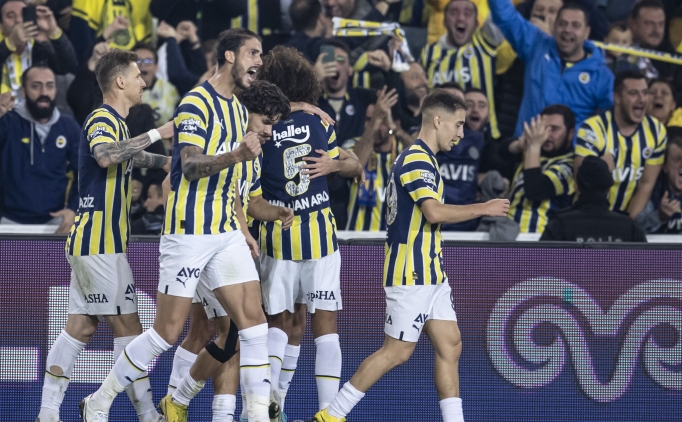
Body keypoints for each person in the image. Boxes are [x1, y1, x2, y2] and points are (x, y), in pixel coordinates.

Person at [78, 28, 271, 422]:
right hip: (188, 233)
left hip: (224, 232)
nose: (259, 61)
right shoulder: (195, 102)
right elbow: (192, 165)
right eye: (253, 53)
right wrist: (236, 155)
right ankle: (99, 399)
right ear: (229, 56)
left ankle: (256, 414)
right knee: (166, 333)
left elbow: (230, 181)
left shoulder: (238, 110)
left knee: (254, 327)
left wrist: (242, 227)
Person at [313, 89, 509, 422]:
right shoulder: (416, 159)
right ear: (438, 120)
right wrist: (483, 207)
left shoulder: (425, 159)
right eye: (457, 124)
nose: (461, 133)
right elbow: (433, 212)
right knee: (396, 353)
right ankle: (330, 416)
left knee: (450, 345)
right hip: (411, 273)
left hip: (432, 274)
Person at [38, 49, 172, 422]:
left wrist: (169, 162)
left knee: (80, 328)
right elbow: (105, 155)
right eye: (138, 76)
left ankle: (48, 413)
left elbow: (130, 157)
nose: (144, 82)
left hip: (96, 242)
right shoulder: (102, 118)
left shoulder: (118, 124)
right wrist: (158, 133)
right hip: (99, 242)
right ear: (120, 81)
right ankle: (145, 414)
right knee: (130, 329)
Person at [164, 80, 295, 422]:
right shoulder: (223, 141)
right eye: (265, 121)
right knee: (229, 331)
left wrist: (276, 212)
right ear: (245, 112)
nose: (269, 131)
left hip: (227, 247)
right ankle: (179, 402)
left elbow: (249, 202)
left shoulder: (255, 154)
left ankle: (184, 405)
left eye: (274, 124)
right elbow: (171, 182)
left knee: (224, 333)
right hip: (203, 241)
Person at [257, 45, 363, 421]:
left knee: (280, 323)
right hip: (320, 235)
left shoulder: (261, 129)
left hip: (277, 233)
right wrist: (335, 165)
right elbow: (354, 165)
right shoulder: (320, 122)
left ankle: (268, 405)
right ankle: (327, 412)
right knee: (325, 328)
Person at [489, 0, 613, 137]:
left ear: (586, 32)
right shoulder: (536, 45)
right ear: (554, 27)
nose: (568, 30)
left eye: (575, 25)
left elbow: (613, 120)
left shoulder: (601, 75)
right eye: (562, 24)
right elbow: (505, 17)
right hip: (526, 145)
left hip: (571, 150)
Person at [575, 71, 667, 219]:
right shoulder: (593, 128)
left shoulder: (657, 131)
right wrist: (599, 169)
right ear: (617, 97)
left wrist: (625, 224)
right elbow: (581, 183)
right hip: (587, 216)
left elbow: (646, 184)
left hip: (625, 219)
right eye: (633, 93)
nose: (642, 99)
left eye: (645, 93)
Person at [0, 66, 80, 233]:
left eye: (49, 86)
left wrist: (73, 209)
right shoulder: (7, 122)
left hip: (56, 221)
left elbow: (86, 172)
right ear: (23, 92)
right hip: (8, 221)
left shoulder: (68, 126)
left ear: (56, 90)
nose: (44, 92)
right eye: (36, 86)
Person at [420, 0, 504, 138]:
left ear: (476, 23)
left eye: (467, 13)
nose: (460, 18)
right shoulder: (428, 53)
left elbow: (501, 12)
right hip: (439, 138)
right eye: (454, 13)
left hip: (483, 139)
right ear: (444, 21)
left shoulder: (483, 44)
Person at [317, 39, 374, 227]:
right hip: (318, 186)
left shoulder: (362, 98)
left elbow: (395, 98)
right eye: (329, 59)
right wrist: (314, 77)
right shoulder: (312, 101)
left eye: (341, 59)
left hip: (352, 188)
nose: (334, 64)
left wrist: (391, 67)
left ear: (350, 69)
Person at [541, 156, 647, 242]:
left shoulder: (559, 225)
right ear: (608, 189)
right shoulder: (629, 228)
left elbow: (540, 260)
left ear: (576, 186)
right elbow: (646, 261)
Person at [344, 86, 407, 231]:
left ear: (394, 122)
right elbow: (356, 165)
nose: (376, 125)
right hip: (357, 238)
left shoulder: (404, 153)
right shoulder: (352, 145)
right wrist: (377, 118)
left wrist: (395, 129)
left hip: (394, 240)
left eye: (382, 119)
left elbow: (425, 155)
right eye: (369, 119)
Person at [506, 105, 575, 234]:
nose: (546, 135)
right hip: (507, 234)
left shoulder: (570, 164)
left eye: (554, 129)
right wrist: (520, 145)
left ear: (570, 134)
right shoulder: (533, 152)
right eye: (543, 128)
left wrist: (533, 146)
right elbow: (501, 151)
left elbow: (535, 190)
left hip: (540, 238)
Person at [434, 83, 487, 231]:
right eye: (447, 100)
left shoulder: (477, 139)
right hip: (430, 225)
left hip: (467, 226)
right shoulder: (417, 136)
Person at [0, 1, 77, 98]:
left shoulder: (39, 48)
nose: (18, 20)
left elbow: (67, 67)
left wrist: (53, 31)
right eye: (10, 16)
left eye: (23, 14)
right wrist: (10, 43)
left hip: (30, 106)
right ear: (1, 25)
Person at [628, 0, 682, 97]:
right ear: (633, 24)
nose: (656, 30)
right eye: (649, 23)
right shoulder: (618, 54)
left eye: (661, 24)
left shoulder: (675, 60)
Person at [635, 128, 682, 234]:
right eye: (676, 159)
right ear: (664, 167)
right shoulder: (651, 193)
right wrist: (659, 216)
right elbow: (634, 229)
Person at [134, 43, 180, 128]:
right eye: (138, 61)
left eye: (148, 61)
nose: (142, 65)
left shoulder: (169, 89)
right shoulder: (121, 90)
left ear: (156, 67)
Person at [399, 61, 429, 133]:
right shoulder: (395, 118)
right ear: (401, 84)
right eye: (415, 77)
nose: (424, 82)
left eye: (424, 76)